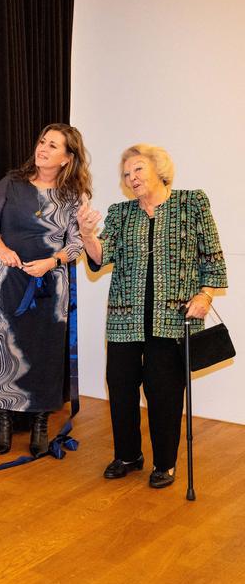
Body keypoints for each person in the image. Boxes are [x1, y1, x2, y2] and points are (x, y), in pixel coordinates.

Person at [78, 144, 226, 488]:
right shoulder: (120, 213)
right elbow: (101, 257)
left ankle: (164, 463)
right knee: (120, 386)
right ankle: (128, 455)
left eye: (138, 169)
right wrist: (86, 234)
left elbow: (213, 258)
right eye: (126, 174)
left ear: (159, 170)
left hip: (172, 318)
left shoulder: (192, 203)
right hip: (125, 318)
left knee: (164, 392)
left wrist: (205, 295)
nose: (131, 178)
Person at [0, 123, 91, 456]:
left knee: (45, 352)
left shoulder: (74, 196)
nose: (42, 148)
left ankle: (40, 424)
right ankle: (3, 424)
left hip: (50, 286)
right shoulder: (11, 183)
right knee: (3, 349)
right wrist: (1, 249)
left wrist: (52, 262)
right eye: (42, 141)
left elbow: (76, 244)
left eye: (52, 145)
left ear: (67, 158)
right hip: (7, 280)